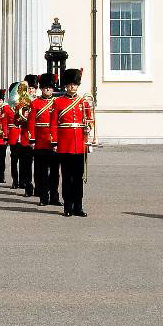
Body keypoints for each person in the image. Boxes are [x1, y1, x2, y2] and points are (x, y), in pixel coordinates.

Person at [50, 69, 94, 217]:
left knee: (78, 177)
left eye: (74, 85)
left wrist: (89, 127)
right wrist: (54, 142)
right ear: (65, 86)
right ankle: (68, 206)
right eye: (69, 85)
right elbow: (54, 124)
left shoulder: (83, 102)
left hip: (80, 144)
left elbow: (89, 120)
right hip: (65, 144)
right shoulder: (58, 102)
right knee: (67, 177)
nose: (72, 88)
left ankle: (78, 206)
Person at [29, 73, 58, 206]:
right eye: (46, 88)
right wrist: (32, 140)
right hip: (40, 141)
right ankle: (43, 198)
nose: (48, 90)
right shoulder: (35, 103)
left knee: (55, 173)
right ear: (41, 89)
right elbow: (31, 122)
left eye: (50, 88)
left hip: (54, 142)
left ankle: (54, 197)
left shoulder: (57, 102)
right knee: (42, 173)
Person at [18, 74, 39, 198]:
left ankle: (38, 187)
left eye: (33, 88)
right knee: (26, 165)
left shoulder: (40, 101)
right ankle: (28, 187)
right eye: (29, 88)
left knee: (38, 166)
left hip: (39, 137)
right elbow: (17, 121)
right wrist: (22, 117)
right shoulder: (22, 102)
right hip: (26, 136)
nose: (31, 90)